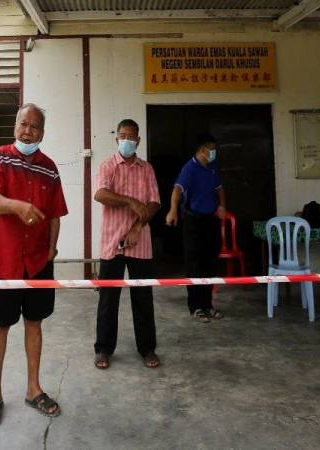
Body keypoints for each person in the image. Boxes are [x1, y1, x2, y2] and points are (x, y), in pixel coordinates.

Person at [0, 103, 68, 429]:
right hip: (5, 260)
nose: (28, 131)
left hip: (38, 261)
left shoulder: (50, 168)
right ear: (15, 125)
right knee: (0, 326)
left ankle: (33, 389)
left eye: (35, 127)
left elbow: (56, 213)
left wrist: (52, 250)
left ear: (42, 133)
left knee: (34, 323)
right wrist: (17, 206)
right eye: (23, 124)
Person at [93, 119, 161, 370]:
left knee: (143, 298)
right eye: (122, 136)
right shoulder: (108, 166)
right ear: (116, 139)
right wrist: (131, 202)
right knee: (108, 299)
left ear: (138, 141)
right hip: (112, 241)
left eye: (131, 137)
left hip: (140, 241)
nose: (127, 141)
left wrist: (137, 227)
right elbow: (100, 194)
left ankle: (147, 349)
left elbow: (154, 203)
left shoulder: (147, 169)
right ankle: (103, 350)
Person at [165, 133, 226, 323]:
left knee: (210, 263)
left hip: (211, 221)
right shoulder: (190, 168)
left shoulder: (212, 168)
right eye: (211, 149)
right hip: (194, 222)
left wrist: (222, 205)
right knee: (195, 264)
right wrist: (173, 210)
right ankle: (196, 306)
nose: (214, 152)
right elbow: (177, 190)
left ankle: (208, 305)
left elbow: (220, 189)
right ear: (202, 150)